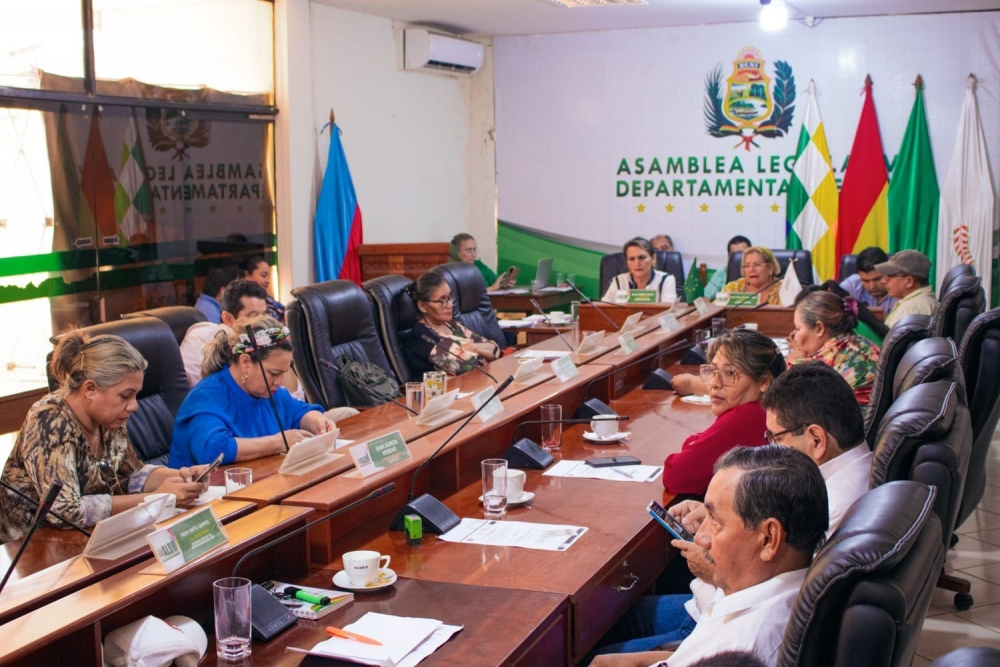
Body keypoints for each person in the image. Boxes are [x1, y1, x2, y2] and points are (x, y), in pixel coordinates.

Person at [592, 445, 828, 666]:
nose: (700, 538)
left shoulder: (745, 647)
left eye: (715, 521)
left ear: (768, 539)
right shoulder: (761, 591)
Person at [0, 332, 209, 543]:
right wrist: (157, 499)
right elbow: (64, 511)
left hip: (91, 538)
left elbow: (131, 473)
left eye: (136, 395)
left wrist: (183, 478)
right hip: (32, 548)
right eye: (125, 396)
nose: (134, 406)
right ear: (90, 390)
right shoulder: (49, 421)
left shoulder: (110, 419)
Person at [168, 316, 334, 467]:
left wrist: (319, 422)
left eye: (284, 372)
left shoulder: (271, 392)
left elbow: (300, 412)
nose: (280, 382)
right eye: (274, 373)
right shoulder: (206, 396)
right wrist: (278, 442)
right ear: (246, 362)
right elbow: (213, 450)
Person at [662, 330, 785, 496]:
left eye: (730, 373)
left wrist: (693, 442)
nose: (714, 383)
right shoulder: (767, 409)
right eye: (712, 370)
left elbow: (675, 475)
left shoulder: (746, 417)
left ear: (763, 381)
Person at [785, 291, 880, 404]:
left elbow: (788, 396)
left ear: (819, 328)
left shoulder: (820, 365)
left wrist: (791, 359)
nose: (795, 336)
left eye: (798, 328)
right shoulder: (858, 342)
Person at [402, 272, 501, 376]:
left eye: (449, 298)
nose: (449, 305)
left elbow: (494, 347)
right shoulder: (422, 338)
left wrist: (472, 347)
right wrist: (483, 352)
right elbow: (472, 366)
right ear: (422, 306)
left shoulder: (449, 324)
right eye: (441, 301)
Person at [180, 279, 268, 386]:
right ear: (228, 318)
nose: (262, 323)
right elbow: (184, 387)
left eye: (264, 315)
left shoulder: (262, 341)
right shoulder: (204, 334)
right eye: (253, 315)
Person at [603, 237, 677, 304]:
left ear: (653, 259)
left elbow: (668, 312)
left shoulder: (666, 280)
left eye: (642, 258)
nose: (637, 263)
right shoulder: (618, 281)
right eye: (631, 259)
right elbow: (603, 309)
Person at [876, 250, 939, 328]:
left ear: (909, 281)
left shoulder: (910, 309)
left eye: (890, 276)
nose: (883, 281)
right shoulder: (919, 302)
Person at [838, 246, 897, 313]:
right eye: (865, 281)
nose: (872, 286)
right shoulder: (853, 284)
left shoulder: (901, 288)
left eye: (877, 279)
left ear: (888, 272)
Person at [704, 236, 751, 301]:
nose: (739, 259)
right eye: (735, 256)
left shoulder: (756, 273)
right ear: (729, 256)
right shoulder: (722, 273)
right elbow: (706, 298)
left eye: (741, 254)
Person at [240, 255, 285, 322]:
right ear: (247, 275)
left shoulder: (269, 299)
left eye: (269, 276)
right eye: (263, 275)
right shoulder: (242, 301)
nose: (267, 280)